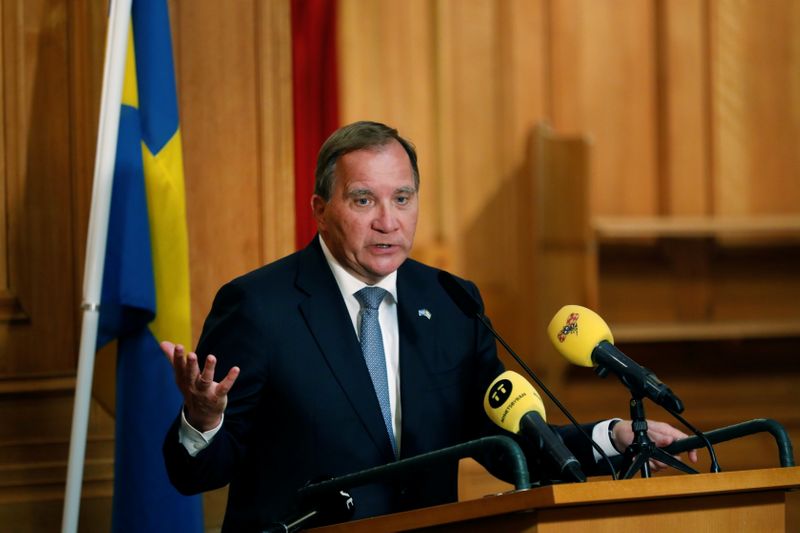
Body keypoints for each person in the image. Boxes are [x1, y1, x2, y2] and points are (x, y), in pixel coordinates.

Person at [161, 121, 696, 532]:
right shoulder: (258, 307)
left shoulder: (450, 302)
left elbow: (504, 438)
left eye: (402, 198)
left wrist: (614, 437)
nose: (388, 221)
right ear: (320, 210)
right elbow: (195, 475)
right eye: (363, 200)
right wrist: (202, 420)